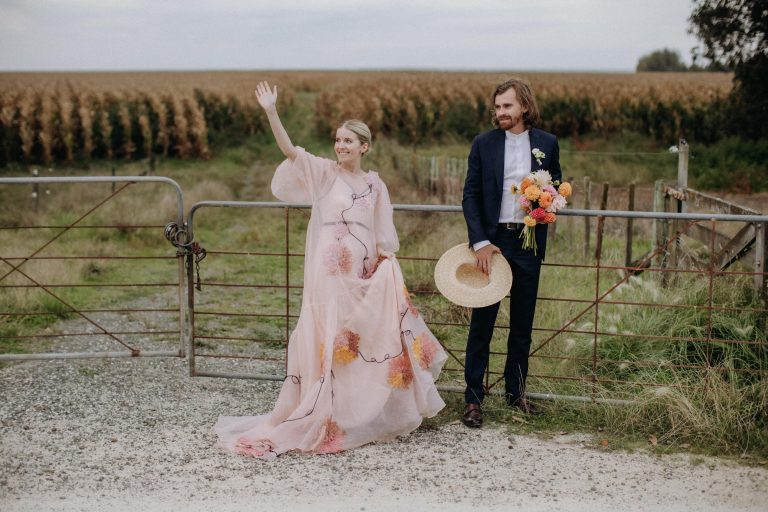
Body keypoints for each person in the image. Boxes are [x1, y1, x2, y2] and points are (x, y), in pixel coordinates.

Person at [214, 81, 447, 458]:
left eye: (349, 142)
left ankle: (358, 410)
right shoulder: (324, 174)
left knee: (360, 336)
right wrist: (272, 111)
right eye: (338, 140)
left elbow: (382, 229)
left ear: (364, 147)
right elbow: (290, 151)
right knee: (329, 331)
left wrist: (382, 262)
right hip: (328, 269)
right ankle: (321, 405)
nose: (341, 146)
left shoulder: (374, 185)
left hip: (361, 271)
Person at [460, 77, 562, 428]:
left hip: (528, 243)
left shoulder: (547, 143)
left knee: (522, 325)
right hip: (493, 244)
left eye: (507, 106)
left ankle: (515, 394)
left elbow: (556, 189)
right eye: (498, 106)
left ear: (524, 107)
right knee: (482, 324)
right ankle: (473, 399)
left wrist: (546, 208)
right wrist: (480, 242)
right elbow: (470, 196)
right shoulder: (483, 144)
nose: (501, 112)